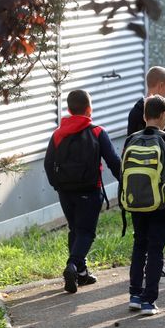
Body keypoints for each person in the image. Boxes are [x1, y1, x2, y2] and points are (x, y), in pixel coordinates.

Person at [44, 89, 121, 293]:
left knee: (75, 230)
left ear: (69, 109)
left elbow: (48, 163)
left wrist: (57, 185)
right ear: (89, 109)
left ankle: (81, 274)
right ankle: (73, 265)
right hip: (89, 190)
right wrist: (125, 181)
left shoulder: (58, 134)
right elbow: (114, 161)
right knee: (86, 232)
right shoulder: (97, 132)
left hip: (65, 192)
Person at [127, 66, 165, 276]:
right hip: (162, 183)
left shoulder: (136, 110)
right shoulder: (163, 114)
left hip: (138, 184)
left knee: (140, 233)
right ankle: (152, 261)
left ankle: (141, 270)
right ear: (161, 85)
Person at [125, 95, 165, 316]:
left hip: (135, 203)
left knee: (139, 245)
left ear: (144, 115)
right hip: (161, 204)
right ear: (163, 115)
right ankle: (149, 301)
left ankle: (135, 296)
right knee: (155, 249)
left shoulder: (132, 139)